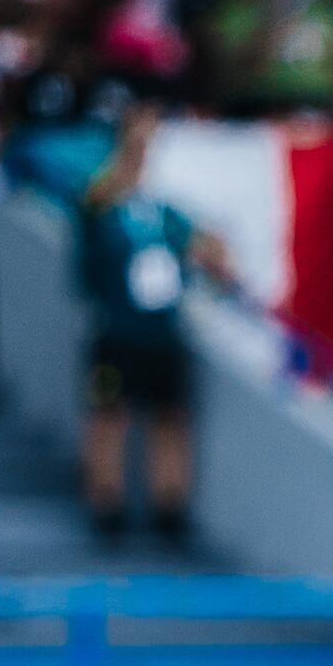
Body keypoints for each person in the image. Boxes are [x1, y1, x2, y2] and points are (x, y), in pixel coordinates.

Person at [73, 104, 228, 547]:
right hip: (116, 334)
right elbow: (94, 201)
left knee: (170, 417)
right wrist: (135, 143)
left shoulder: (164, 212)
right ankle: (106, 502)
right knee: (108, 415)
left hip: (162, 335)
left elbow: (205, 243)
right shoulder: (103, 204)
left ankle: (169, 505)